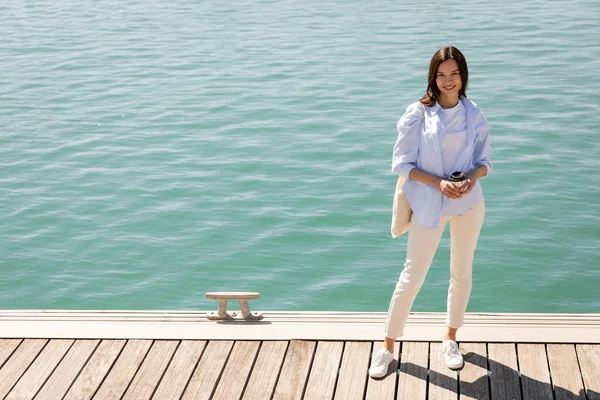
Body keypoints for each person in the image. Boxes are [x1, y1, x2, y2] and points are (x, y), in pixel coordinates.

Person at [369, 46, 493, 379]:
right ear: (433, 77)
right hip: (428, 205)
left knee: (461, 274)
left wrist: (470, 177)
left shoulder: (474, 113)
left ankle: (450, 338)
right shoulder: (418, 113)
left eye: (454, 74)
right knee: (412, 277)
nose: (448, 81)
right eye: (442, 75)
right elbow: (401, 164)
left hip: (468, 204)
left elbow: (484, 162)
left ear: (463, 75)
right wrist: (439, 183)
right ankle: (387, 347)